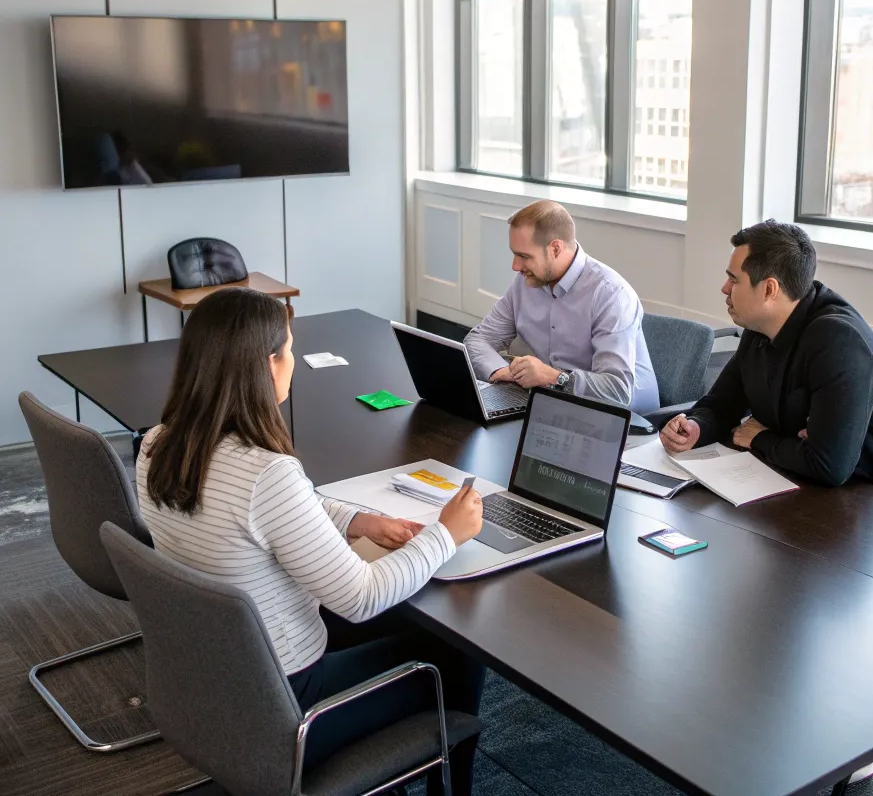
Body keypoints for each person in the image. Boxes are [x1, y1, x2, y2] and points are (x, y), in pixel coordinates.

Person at [137, 288, 485, 790]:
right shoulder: (266, 474)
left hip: (216, 677)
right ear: (267, 364)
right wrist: (447, 534)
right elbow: (361, 597)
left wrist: (357, 521)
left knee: (408, 617)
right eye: (290, 349)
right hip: (291, 706)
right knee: (457, 648)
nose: (294, 362)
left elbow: (261, 513)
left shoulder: (158, 445)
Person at [660, 220, 873, 508]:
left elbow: (828, 465)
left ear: (769, 289)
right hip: (810, 496)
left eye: (734, 280)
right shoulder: (759, 328)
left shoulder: (840, 342)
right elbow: (723, 404)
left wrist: (760, 438)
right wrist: (696, 427)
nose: (724, 288)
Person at [464, 200, 659, 413]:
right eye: (514, 254)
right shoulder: (525, 283)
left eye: (524, 256)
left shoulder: (611, 294)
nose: (515, 266)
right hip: (559, 406)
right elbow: (477, 340)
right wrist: (500, 372)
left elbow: (617, 391)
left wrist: (554, 378)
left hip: (629, 420)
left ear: (555, 249)